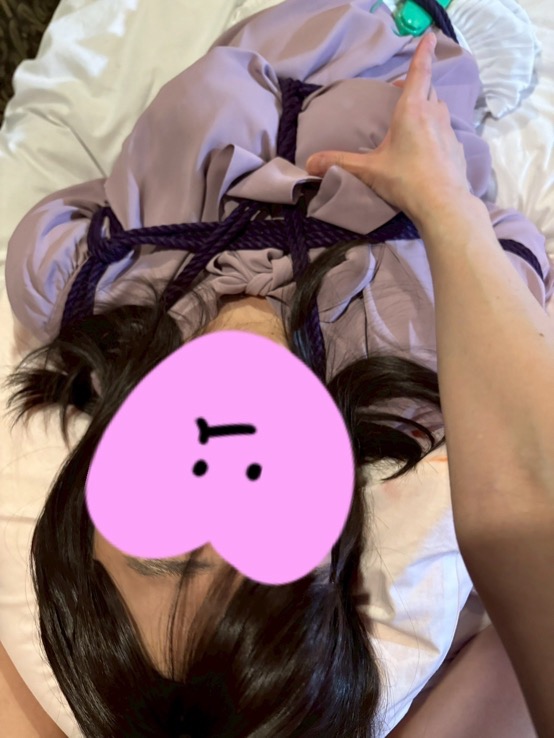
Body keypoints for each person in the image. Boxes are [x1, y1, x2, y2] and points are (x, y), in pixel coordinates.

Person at [2, 1, 553, 736]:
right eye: (261, 514)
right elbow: (512, 255)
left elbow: (69, 214)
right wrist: (445, 208)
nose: (221, 459)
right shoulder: (420, 340)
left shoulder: (78, 283)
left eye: (162, 525)